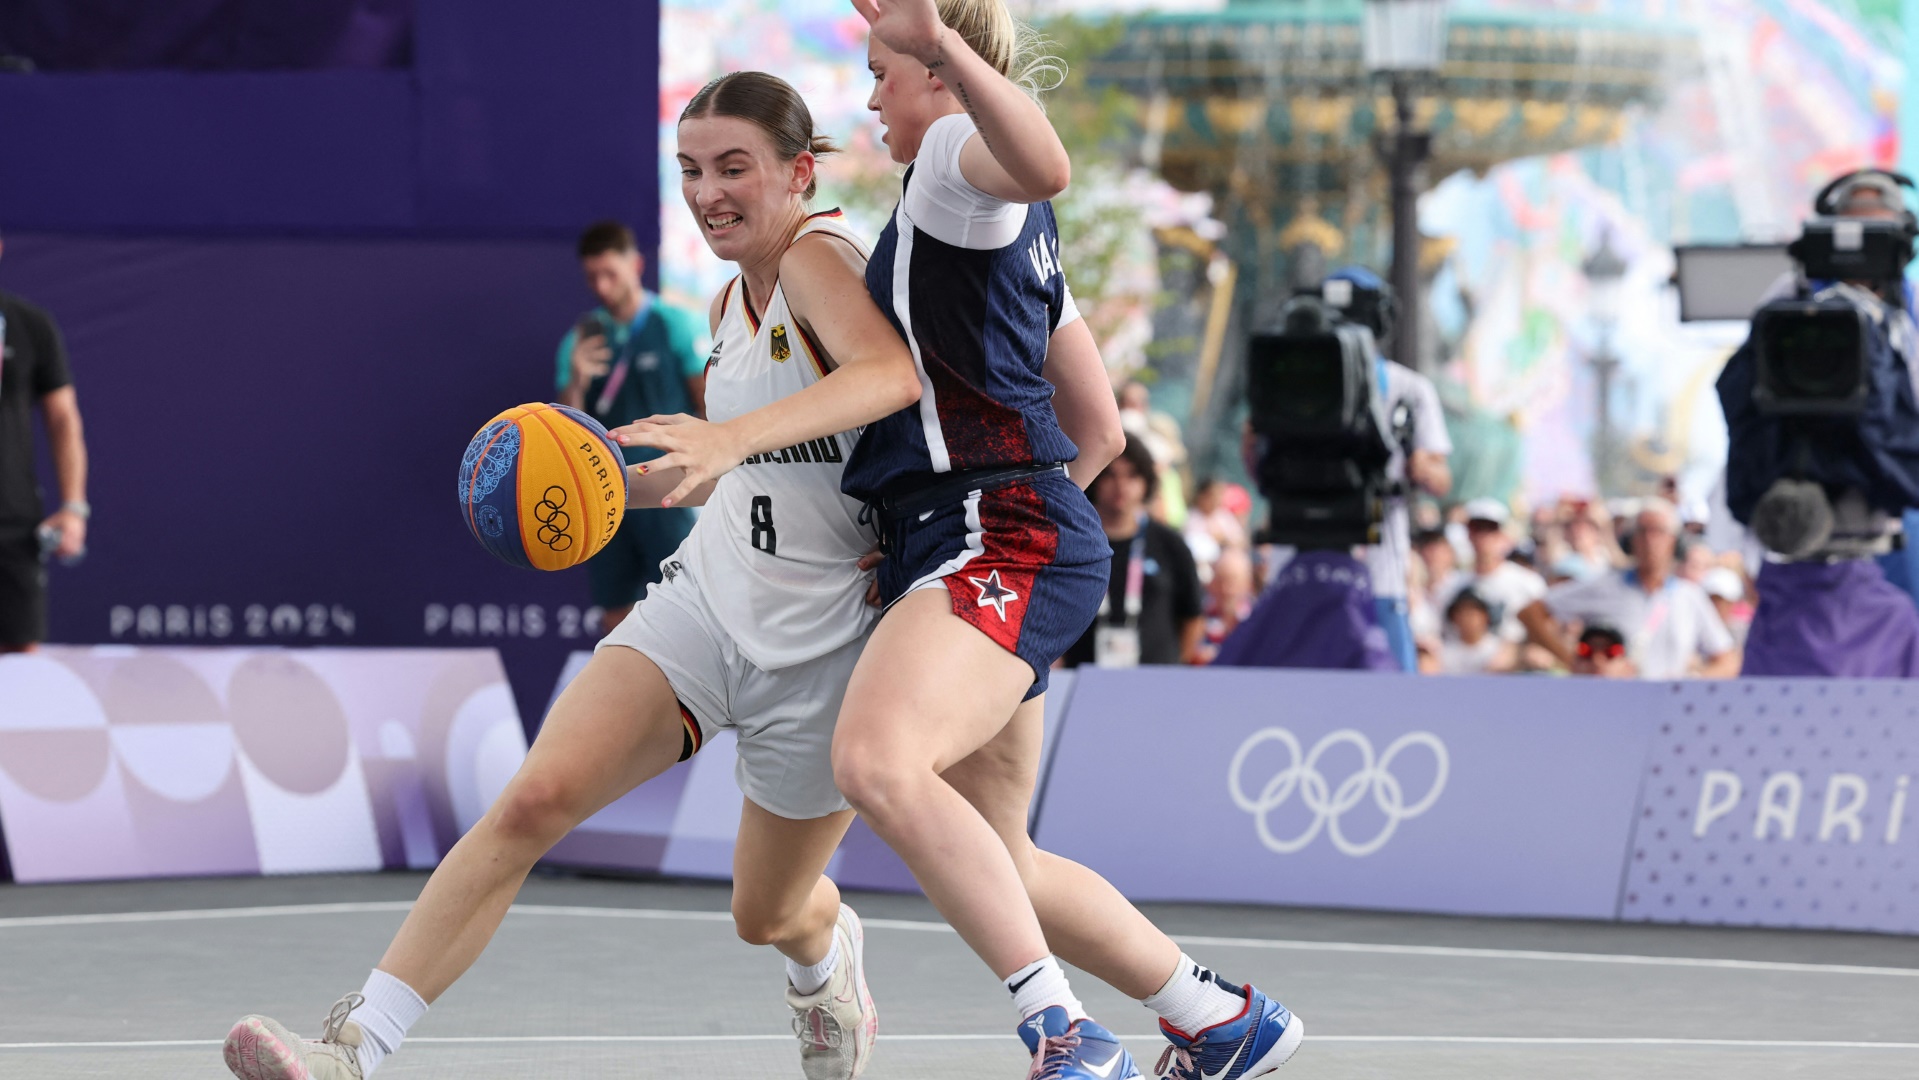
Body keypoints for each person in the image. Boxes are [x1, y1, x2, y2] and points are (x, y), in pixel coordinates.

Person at [622, 3, 1301, 1077]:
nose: (872, 98)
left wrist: (991, 520)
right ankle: (1219, 1018)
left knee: (873, 759)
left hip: (992, 533)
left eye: (885, 73)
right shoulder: (1000, 234)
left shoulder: (945, 165)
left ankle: (1061, 1032)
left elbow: (1044, 161)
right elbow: (1101, 429)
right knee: (999, 858)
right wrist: (1000, 525)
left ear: (941, 77)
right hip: (994, 535)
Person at [221, 72, 926, 1080]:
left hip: (824, 644)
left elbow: (886, 376)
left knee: (765, 912)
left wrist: (726, 438)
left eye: (734, 167)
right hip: (712, 600)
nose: (707, 190)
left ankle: (825, 960)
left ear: (797, 171)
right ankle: (354, 1049)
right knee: (531, 801)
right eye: (689, 170)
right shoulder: (728, 299)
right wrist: (595, 493)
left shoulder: (820, 253)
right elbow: (731, 473)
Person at [555, 221, 709, 634]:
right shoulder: (581, 339)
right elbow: (565, 437)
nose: (602, 286)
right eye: (592, 277)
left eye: (611, 274)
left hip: (669, 492)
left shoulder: (674, 323)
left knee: (691, 604)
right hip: (606, 496)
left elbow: (709, 409)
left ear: (636, 265)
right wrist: (576, 381)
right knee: (615, 610)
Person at [1518, 499, 1739, 679]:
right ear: (1631, 540)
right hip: (1615, 708)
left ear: (1674, 541)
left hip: (1666, 711)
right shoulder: (1605, 585)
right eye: (1642, 532)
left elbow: (1727, 659)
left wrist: (1694, 680)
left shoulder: (1689, 596)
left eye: (1658, 532)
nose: (1650, 541)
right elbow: (1530, 613)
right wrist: (1570, 661)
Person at [0, 234, 89, 653]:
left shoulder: (29, 323)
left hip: (12, 525)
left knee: (18, 663)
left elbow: (63, 420)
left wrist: (73, 507)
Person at [1063, 435, 1205, 668]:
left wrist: (1175, 665)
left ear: (1146, 482)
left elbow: (1193, 617)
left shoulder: (1170, 543)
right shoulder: (1072, 541)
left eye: (1132, 476)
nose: (1121, 486)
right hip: (1081, 677)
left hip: (1155, 682)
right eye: (1110, 475)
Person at [1438, 498, 1545, 644]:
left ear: (1501, 534)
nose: (1483, 536)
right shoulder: (1451, 585)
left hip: (1517, 664)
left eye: (1490, 529)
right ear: (1468, 533)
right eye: (1476, 528)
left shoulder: (1528, 582)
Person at [1437, 589, 1514, 675]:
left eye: (1473, 613)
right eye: (1462, 613)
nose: (1467, 618)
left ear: (1486, 617)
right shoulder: (1442, 652)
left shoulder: (1501, 649)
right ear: (1454, 618)